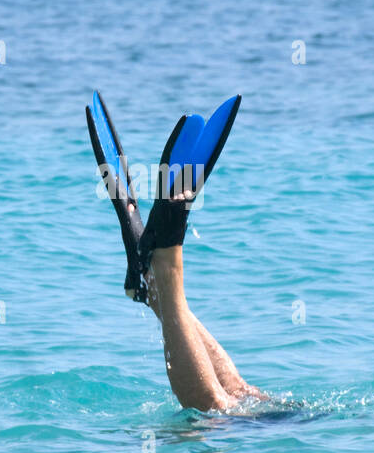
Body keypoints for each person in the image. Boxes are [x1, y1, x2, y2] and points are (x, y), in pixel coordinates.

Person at [86, 91, 264, 411]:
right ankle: (162, 267)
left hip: (289, 423)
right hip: (291, 425)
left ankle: (153, 282)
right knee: (227, 404)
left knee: (230, 401)